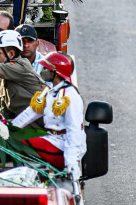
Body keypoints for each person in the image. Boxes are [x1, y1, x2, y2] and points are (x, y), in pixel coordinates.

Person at [12, 52, 85, 181]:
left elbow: (74, 132)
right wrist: (8, 130)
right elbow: (29, 114)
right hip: (51, 139)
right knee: (14, 137)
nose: (42, 70)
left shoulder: (70, 96)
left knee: (18, 141)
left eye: (46, 68)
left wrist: (71, 164)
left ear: (56, 73)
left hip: (62, 147)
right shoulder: (50, 91)